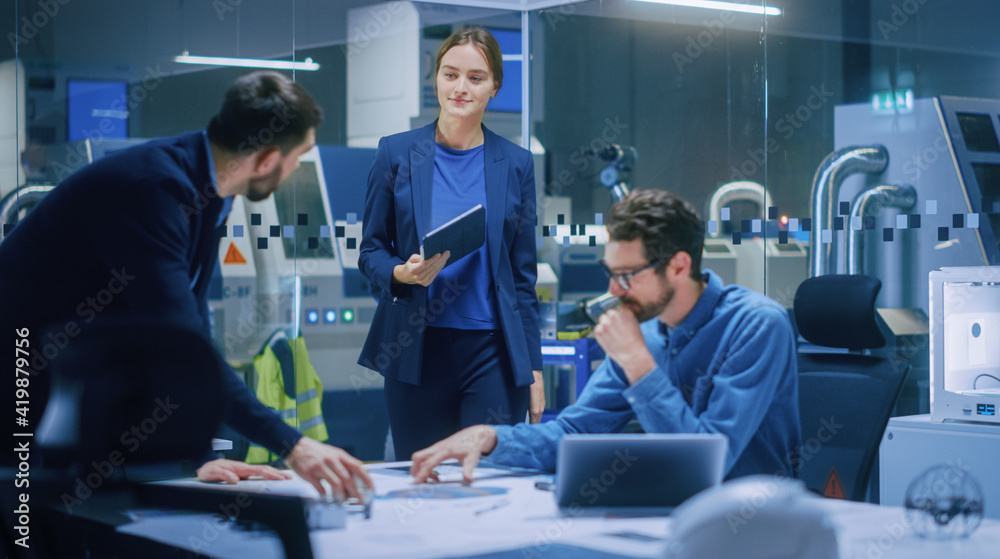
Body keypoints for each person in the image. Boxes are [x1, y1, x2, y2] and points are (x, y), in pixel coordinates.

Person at [0, 71, 371, 498]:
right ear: (268, 159)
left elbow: (192, 325)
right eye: (297, 157)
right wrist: (294, 445)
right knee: (25, 516)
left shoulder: (211, 189)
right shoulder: (153, 189)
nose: (293, 170)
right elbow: (182, 342)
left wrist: (200, 456)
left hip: (71, 368)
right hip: (21, 367)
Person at [410, 189, 801, 482]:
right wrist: (490, 437)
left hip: (750, 527)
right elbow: (575, 431)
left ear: (679, 266)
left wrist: (638, 365)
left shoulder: (757, 325)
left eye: (627, 276)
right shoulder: (645, 330)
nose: (613, 291)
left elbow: (707, 465)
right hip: (669, 516)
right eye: (610, 273)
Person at [358, 27, 544, 461]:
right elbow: (370, 251)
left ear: (495, 86)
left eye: (476, 78)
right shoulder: (395, 153)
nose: (461, 88)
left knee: (490, 479)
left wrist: (533, 366)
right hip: (416, 350)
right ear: (436, 78)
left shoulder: (516, 164)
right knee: (422, 479)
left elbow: (522, 278)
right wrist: (400, 273)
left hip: (493, 355)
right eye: (450, 74)